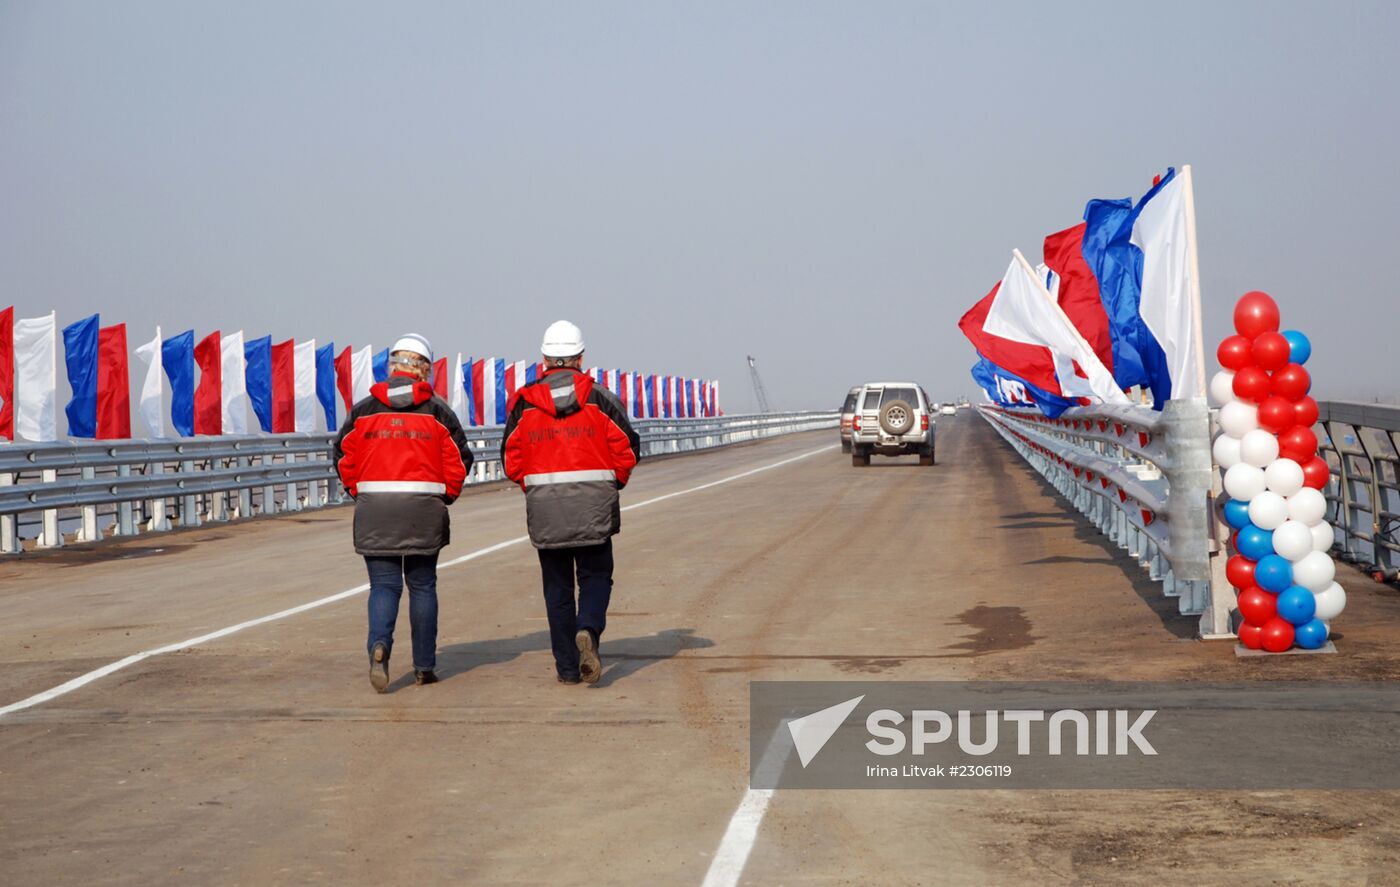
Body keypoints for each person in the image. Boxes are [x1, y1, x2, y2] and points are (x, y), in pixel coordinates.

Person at [502, 321, 640, 684]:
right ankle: (589, 631)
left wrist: (535, 489)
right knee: (596, 577)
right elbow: (627, 449)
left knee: (557, 589)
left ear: (544, 359)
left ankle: (567, 669)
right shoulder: (601, 398)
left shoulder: (524, 404)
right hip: (594, 506)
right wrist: (611, 485)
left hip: (547, 509)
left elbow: (510, 459)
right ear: (580, 358)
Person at [334, 333, 472, 692]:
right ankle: (424, 666)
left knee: (384, 585)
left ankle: (380, 647)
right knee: (422, 585)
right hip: (423, 509)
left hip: (375, 509)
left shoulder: (364, 411)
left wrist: (360, 493)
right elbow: (460, 460)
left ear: (392, 367)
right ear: (424, 370)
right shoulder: (438, 411)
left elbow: (342, 456)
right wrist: (445, 497)